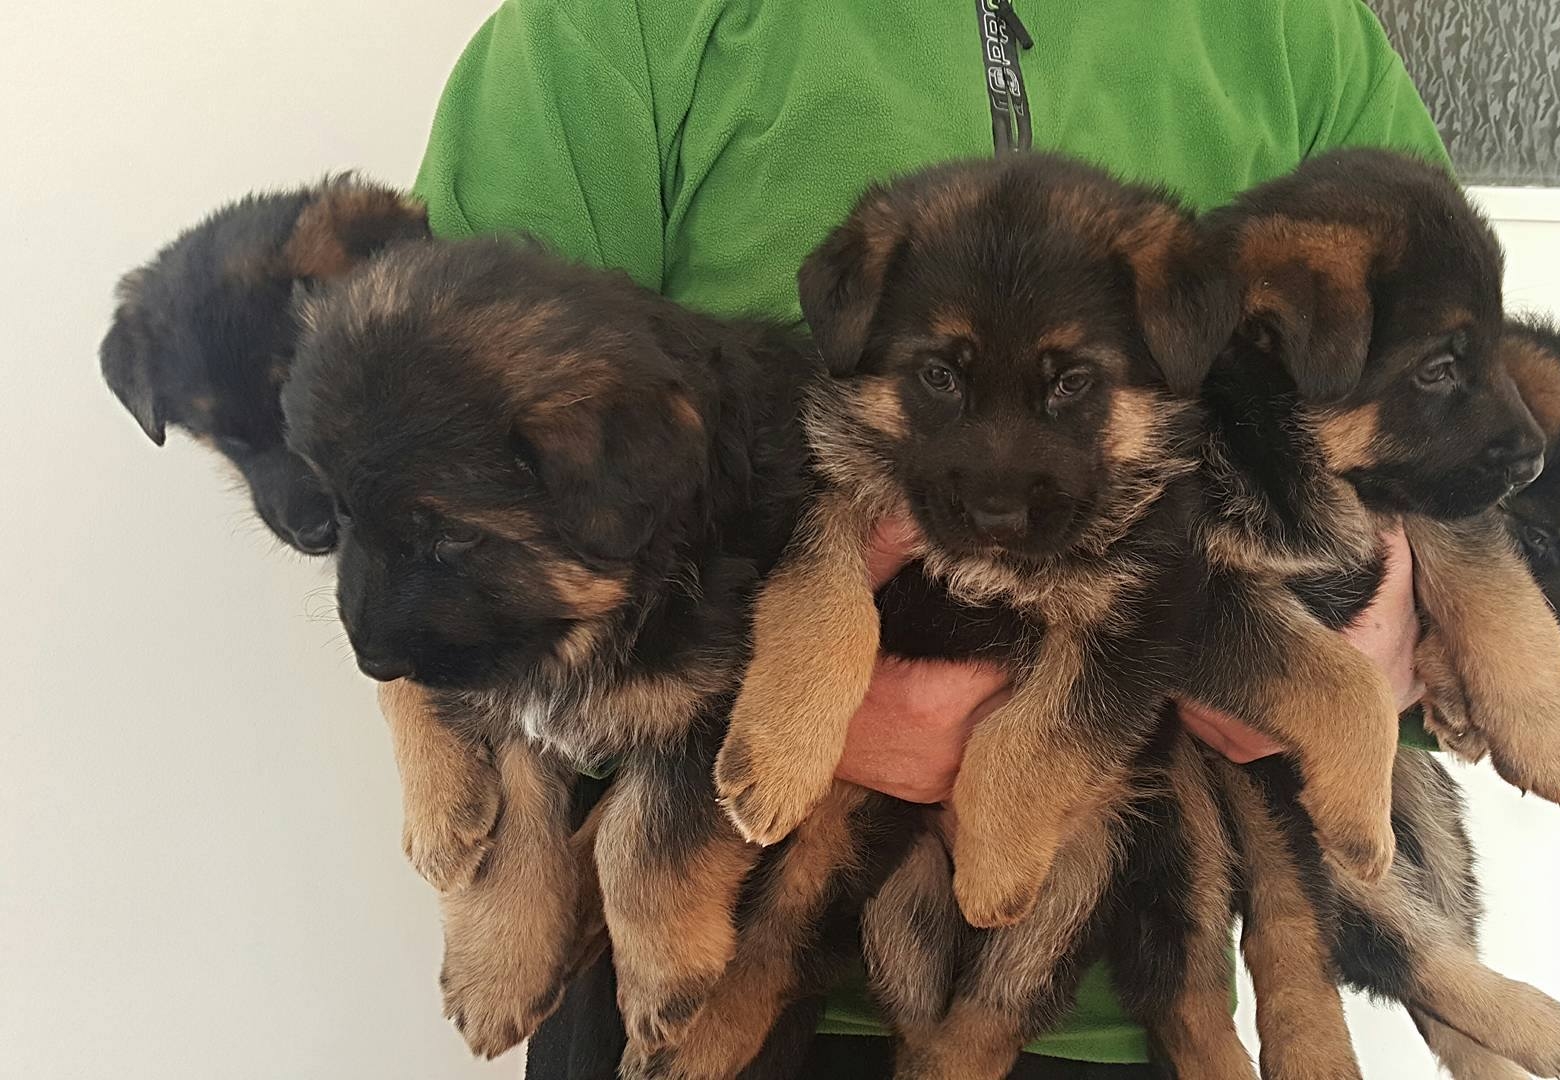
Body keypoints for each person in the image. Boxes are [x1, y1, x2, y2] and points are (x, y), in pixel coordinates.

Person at [413, 1, 1444, 1075]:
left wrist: (1389, 640)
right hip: (690, 948)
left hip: (1105, 974)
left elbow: (1457, 412)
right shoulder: (614, 26)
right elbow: (440, 471)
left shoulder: (1301, 29)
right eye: (939, 377)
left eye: (1072, 384)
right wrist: (741, 696)